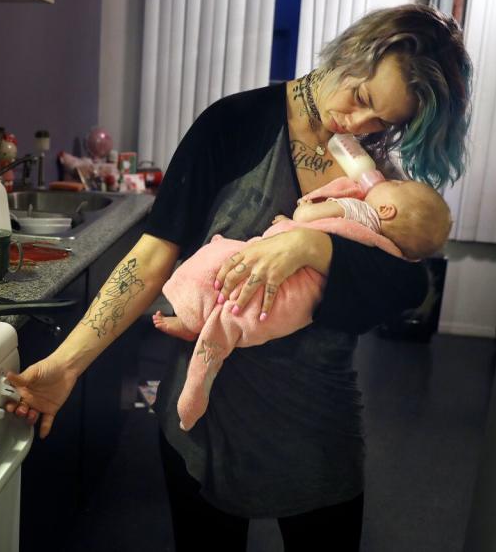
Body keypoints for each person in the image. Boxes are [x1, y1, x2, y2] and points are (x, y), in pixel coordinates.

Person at [4, 3, 472, 551]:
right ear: (351, 52)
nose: (360, 126)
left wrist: (314, 245)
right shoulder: (233, 124)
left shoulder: (374, 176)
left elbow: (404, 287)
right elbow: (153, 256)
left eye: (384, 123)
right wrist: (65, 366)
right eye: (363, 99)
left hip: (317, 419)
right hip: (207, 420)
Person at [152, 176, 452, 431]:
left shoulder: (360, 210)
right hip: (297, 310)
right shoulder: (388, 248)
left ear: (386, 210)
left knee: (217, 267)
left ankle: (194, 322)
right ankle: (203, 338)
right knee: (233, 317)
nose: (387, 179)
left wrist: (303, 217)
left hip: (284, 290)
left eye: (396, 182)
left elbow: (308, 220)